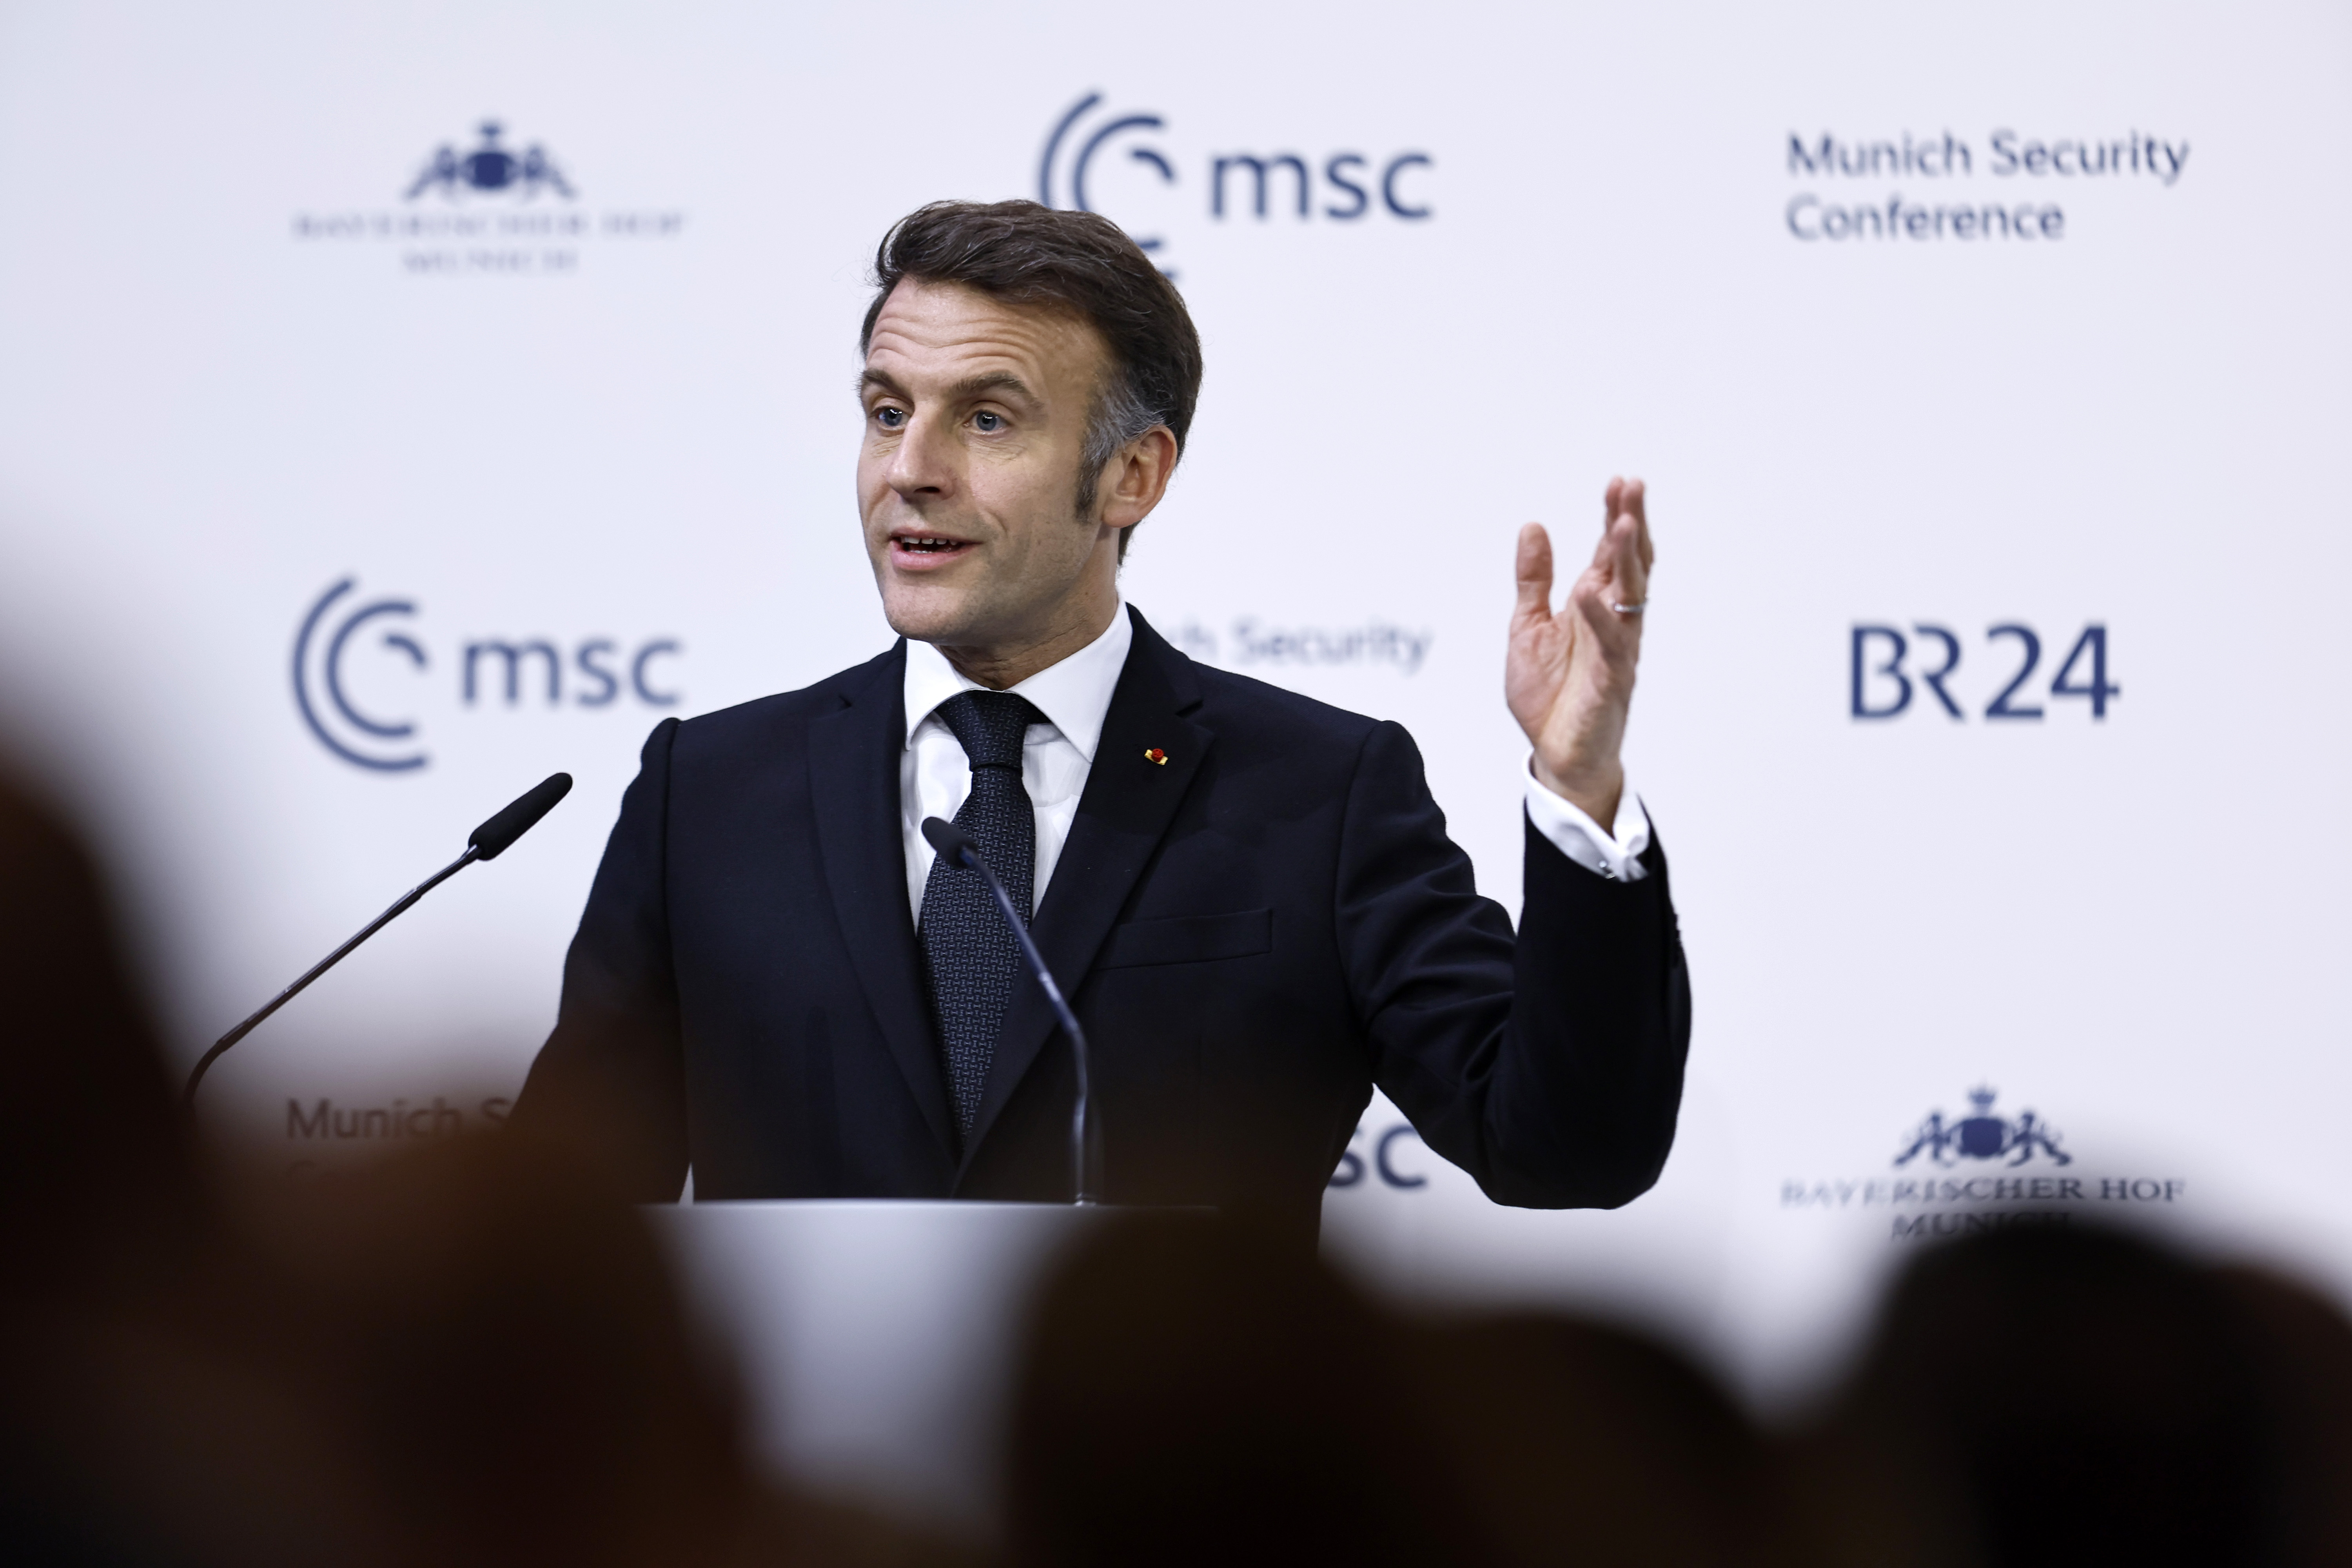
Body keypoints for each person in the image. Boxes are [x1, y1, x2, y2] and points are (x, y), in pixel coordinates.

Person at [514, 199, 1690, 1235]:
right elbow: (559, 1216)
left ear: (1133, 475)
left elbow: (1565, 1149)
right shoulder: (709, 792)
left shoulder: (1318, 795)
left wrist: (1579, 790)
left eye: (986, 419)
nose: (909, 469)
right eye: (886, 410)